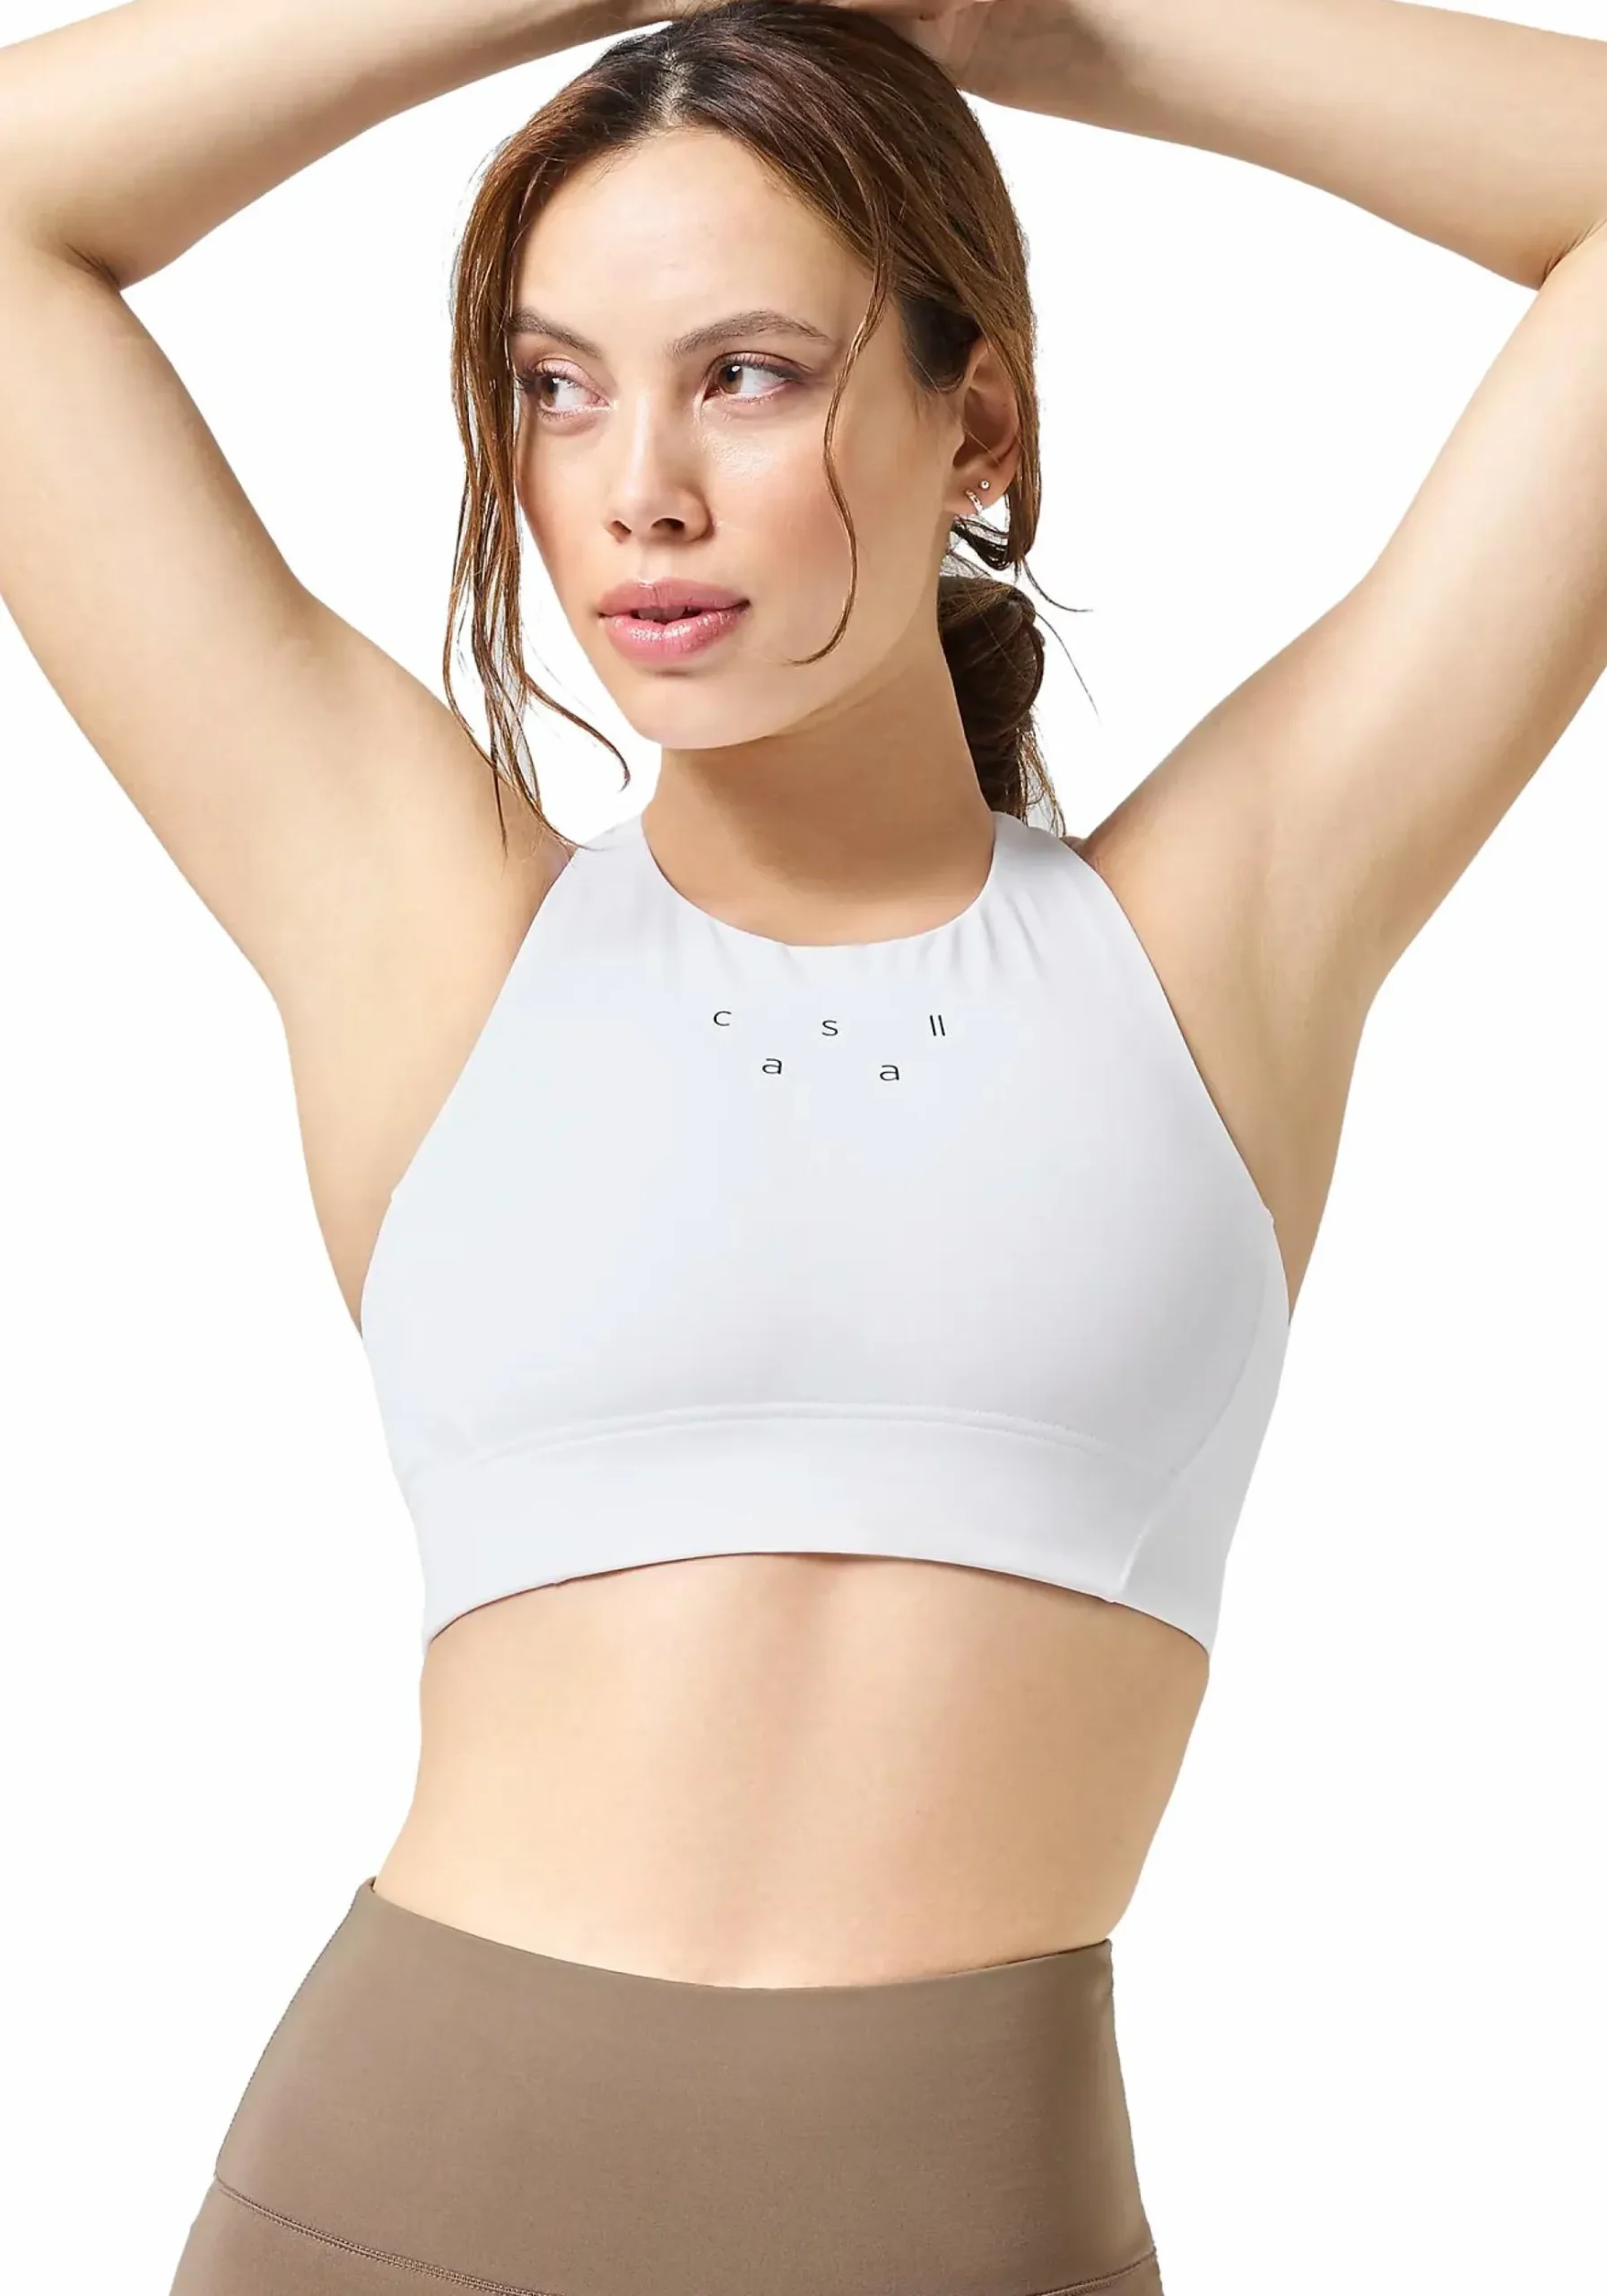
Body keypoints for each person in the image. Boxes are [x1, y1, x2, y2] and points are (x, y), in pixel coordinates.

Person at [2, 0, 1603, 2288]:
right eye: (557, 386)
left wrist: (1025, 25)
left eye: (744, 373)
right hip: (382, 2213)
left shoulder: (1215, 939)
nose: (636, 486)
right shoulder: (425, 931)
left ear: (979, 420)